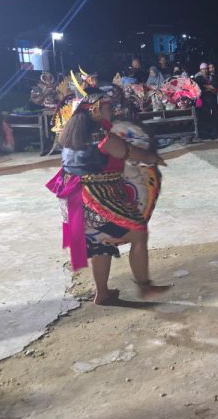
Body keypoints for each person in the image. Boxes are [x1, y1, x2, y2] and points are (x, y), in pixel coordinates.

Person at [45, 90, 170, 305]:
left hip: (73, 201)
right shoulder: (103, 137)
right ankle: (145, 287)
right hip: (94, 199)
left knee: (100, 243)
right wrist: (153, 157)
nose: (111, 112)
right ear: (95, 111)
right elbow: (132, 153)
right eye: (107, 108)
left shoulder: (70, 136)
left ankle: (102, 294)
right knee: (138, 233)